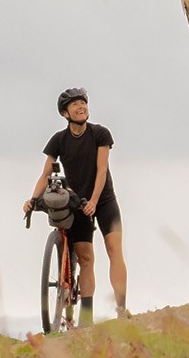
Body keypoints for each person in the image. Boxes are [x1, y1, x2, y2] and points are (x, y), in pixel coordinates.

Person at [29, 88, 126, 321]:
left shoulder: (100, 134)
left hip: (103, 199)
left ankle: (121, 309)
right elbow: (45, 175)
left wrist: (94, 201)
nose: (81, 106)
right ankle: (86, 317)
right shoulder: (59, 140)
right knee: (86, 259)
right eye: (75, 105)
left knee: (114, 250)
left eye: (83, 102)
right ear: (65, 113)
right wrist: (32, 200)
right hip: (76, 203)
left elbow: (102, 170)